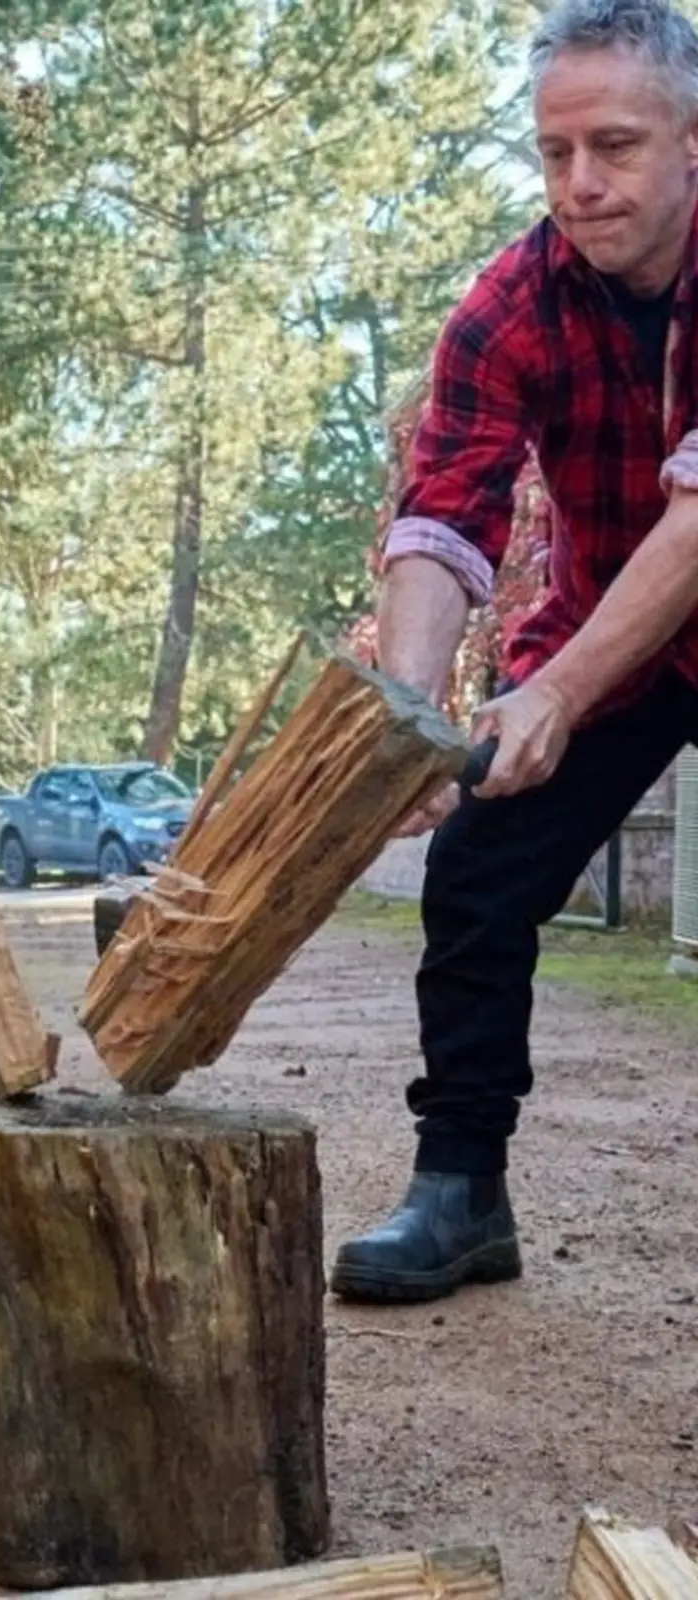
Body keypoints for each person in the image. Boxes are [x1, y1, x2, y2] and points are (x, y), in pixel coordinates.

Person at [329, 0, 698, 1304]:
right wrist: (408, 718)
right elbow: (443, 515)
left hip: (633, 615)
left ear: (693, 142)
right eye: (555, 152)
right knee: (480, 864)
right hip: (621, 627)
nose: (580, 183)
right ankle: (461, 1190)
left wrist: (559, 689)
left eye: (616, 146)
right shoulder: (507, 307)